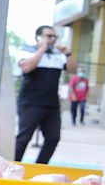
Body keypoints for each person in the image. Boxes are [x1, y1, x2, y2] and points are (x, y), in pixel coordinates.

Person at [15, 25, 75, 164]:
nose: (52, 39)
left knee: (53, 138)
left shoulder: (58, 55)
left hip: (51, 105)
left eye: (54, 36)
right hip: (30, 103)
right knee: (24, 138)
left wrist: (68, 54)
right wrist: (41, 50)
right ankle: (12, 166)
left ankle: (40, 166)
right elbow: (26, 67)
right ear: (38, 37)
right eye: (49, 36)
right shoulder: (27, 50)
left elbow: (73, 70)